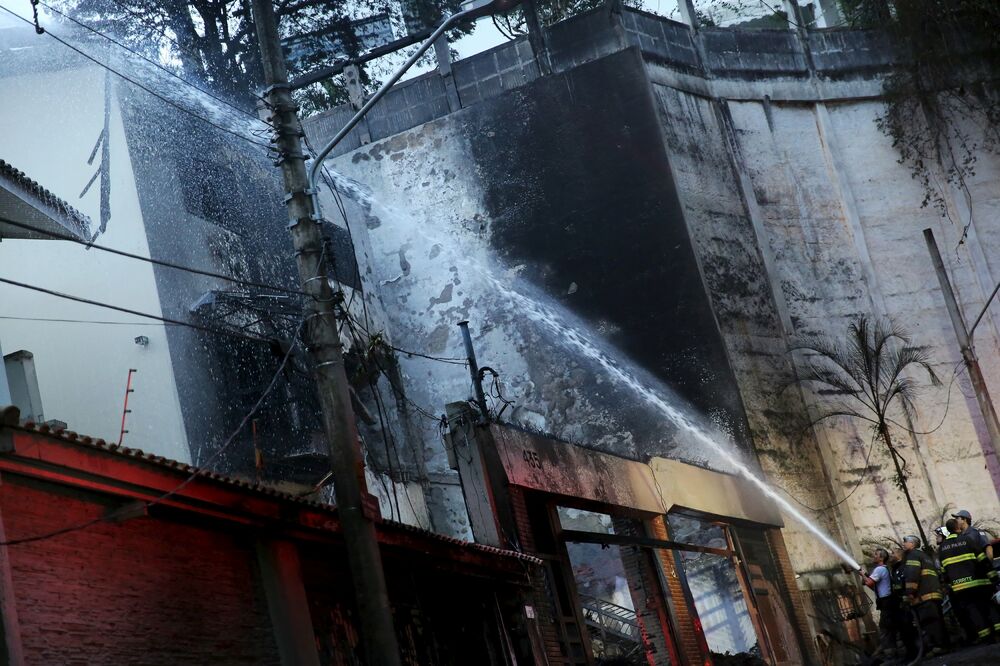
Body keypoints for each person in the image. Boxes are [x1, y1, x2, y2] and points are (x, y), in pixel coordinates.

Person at [950, 511, 1000, 639]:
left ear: (965, 520)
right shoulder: (961, 537)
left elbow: (988, 548)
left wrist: (988, 566)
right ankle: (989, 634)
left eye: (958, 518)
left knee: (989, 604)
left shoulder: (975, 533)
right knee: (979, 607)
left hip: (982, 574)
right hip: (973, 577)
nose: (956, 521)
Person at [902, 535, 948, 656]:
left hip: (924, 596)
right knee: (938, 621)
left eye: (905, 542)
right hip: (934, 594)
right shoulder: (924, 556)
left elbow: (912, 574)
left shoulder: (912, 555)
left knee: (929, 622)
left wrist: (910, 593)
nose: (903, 544)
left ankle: (937, 646)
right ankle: (944, 644)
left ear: (912, 544)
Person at [858, 548, 898, 658]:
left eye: (876, 554)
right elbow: (872, 586)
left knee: (885, 628)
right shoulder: (884, 569)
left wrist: (862, 574)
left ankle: (890, 653)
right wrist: (865, 577)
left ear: (881, 558)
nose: (873, 555)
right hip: (888, 602)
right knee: (888, 626)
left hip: (886, 602)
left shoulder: (879, 569)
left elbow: (869, 582)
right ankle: (891, 651)